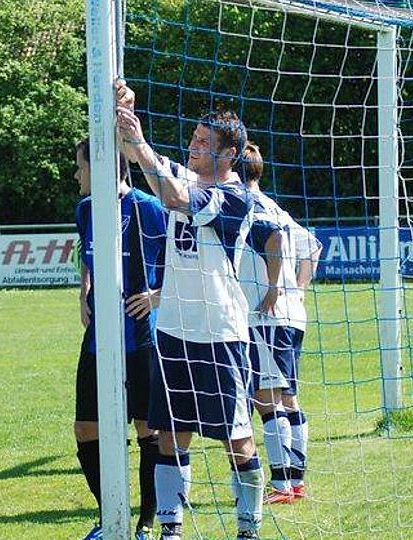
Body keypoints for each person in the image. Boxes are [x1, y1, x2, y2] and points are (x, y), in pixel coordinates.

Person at [115, 80, 283, 540]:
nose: (193, 147)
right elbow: (144, 164)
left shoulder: (234, 197)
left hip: (220, 335)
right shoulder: (188, 176)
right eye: (193, 139)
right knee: (169, 434)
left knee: (237, 439)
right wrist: (128, 118)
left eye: (204, 143)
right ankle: (171, 528)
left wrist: (142, 146)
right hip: (172, 330)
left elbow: (172, 197)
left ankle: (247, 528)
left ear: (228, 154)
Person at [73, 137, 168, 540]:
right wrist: (84, 290)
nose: (76, 175)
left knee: (149, 430)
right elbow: (85, 252)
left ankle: (147, 522)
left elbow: (180, 256)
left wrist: (156, 295)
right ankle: (109, 515)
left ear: (100, 166)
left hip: (140, 340)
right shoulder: (86, 210)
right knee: (85, 428)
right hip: (98, 339)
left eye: (81, 166)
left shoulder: (147, 208)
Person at [236, 143, 322, 504]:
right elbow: (313, 248)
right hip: (290, 316)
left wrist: (274, 288)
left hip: (265, 316)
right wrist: (297, 290)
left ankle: (283, 485)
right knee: (288, 398)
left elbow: (275, 242)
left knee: (267, 400)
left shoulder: (247, 206)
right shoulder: (276, 206)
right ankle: (296, 481)